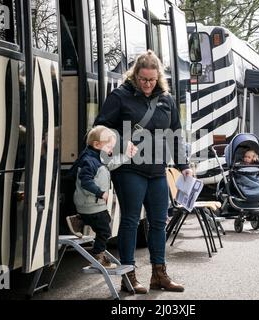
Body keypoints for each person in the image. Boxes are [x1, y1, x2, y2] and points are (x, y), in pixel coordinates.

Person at [94, 50, 193, 294]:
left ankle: (159, 275)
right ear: (135, 75)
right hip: (129, 169)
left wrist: (185, 166)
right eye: (143, 79)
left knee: (159, 222)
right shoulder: (119, 96)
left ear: (158, 77)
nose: (147, 84)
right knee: (130, 221)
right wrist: (118, 142)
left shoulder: (166, 100)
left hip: (157, 170)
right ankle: (128, 276)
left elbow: (175, 135)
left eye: (151, 80)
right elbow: (100, 128)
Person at [66, 125, 137, 269]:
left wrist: (126, 156)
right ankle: (97, 257)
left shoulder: (95, 157)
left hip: (90, 204)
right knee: (105, 230)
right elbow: (85, 181)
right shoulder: (89, 161)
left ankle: (79, 220)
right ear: (97, 144)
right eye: (109, 147)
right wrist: (100, 193)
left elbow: (111, 164)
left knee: (101, 222)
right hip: (92, 203)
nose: (111, 150)